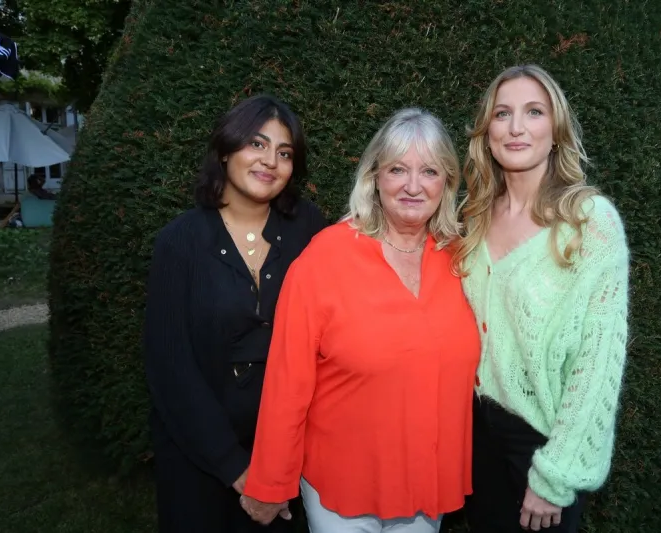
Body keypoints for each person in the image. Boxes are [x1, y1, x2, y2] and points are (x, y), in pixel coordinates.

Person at [238, 108, 481, 533]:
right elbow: (287, 380)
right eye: (397, 169)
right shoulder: (325, 258)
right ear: (374, 177)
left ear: (447, 182)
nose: (413, 186)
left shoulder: (464, 260)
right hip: (342, 486)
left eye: (429, 171)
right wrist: (271, 482)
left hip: (426, 481)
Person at [454, 64, 630, 532]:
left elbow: (598, 365)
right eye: (502, 114)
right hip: (473, 436)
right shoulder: (472, 218)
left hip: (542, 443)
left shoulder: (590, 223)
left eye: (534, 112)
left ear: (555, 131)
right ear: (487, 133)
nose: (516, 127)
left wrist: (556, 473)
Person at [143, 94, 327, 533]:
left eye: (285, 153)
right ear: (225, 150)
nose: (270, 161)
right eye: (256, 144)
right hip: (198, 452)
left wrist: (274, 469)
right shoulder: (179, 243)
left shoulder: (310, 230)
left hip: (286, 450)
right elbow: (170, 366)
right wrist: (239, 471)